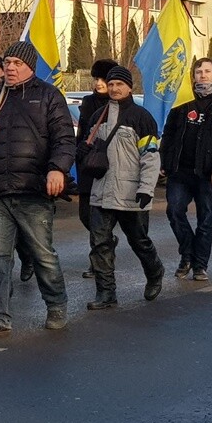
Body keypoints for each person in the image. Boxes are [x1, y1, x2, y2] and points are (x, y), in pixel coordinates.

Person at [0, 41, 76, 337]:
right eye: (7, 62)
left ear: (30, 66)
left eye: (17, 63)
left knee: (42, 254)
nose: (10, 68)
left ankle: (56, 305)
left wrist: (57, 168)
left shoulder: (48, 96)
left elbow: (65, 139)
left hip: (33, 189)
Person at [81, 66, 165, 308]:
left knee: (139, 240)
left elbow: (150, 157)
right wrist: (83, 151)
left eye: (119, 84)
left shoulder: (142, 118)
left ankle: (155, 271)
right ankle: (106, 294)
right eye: (111, 84)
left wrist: (146, 189)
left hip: (131, 193)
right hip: (101, 191)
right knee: (100, 244)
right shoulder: (98, 116)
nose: (114, 88)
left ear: (129, 87)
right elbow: (89, 149)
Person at [160, 58, 212, 282]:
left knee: (205, 218)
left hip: (207, 171)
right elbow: (169, 132)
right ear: (193, 75)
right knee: (174, 211)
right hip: (180, 170)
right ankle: (187, 254)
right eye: (199, 71)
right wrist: (164, 160)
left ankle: (200, 265)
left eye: (207, 71)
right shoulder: (183, 99)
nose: (202, 75)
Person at [76, 58, 117, 280]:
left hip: (110, 168)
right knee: (85, 216)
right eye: (96, 79)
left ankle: (98, 262)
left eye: (103, 79)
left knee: (99, 218)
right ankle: (106, 242)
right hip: (88, 166)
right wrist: (78, 156)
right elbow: (81, 134)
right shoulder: (87, 102)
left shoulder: (118, 104)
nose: (99, 83)